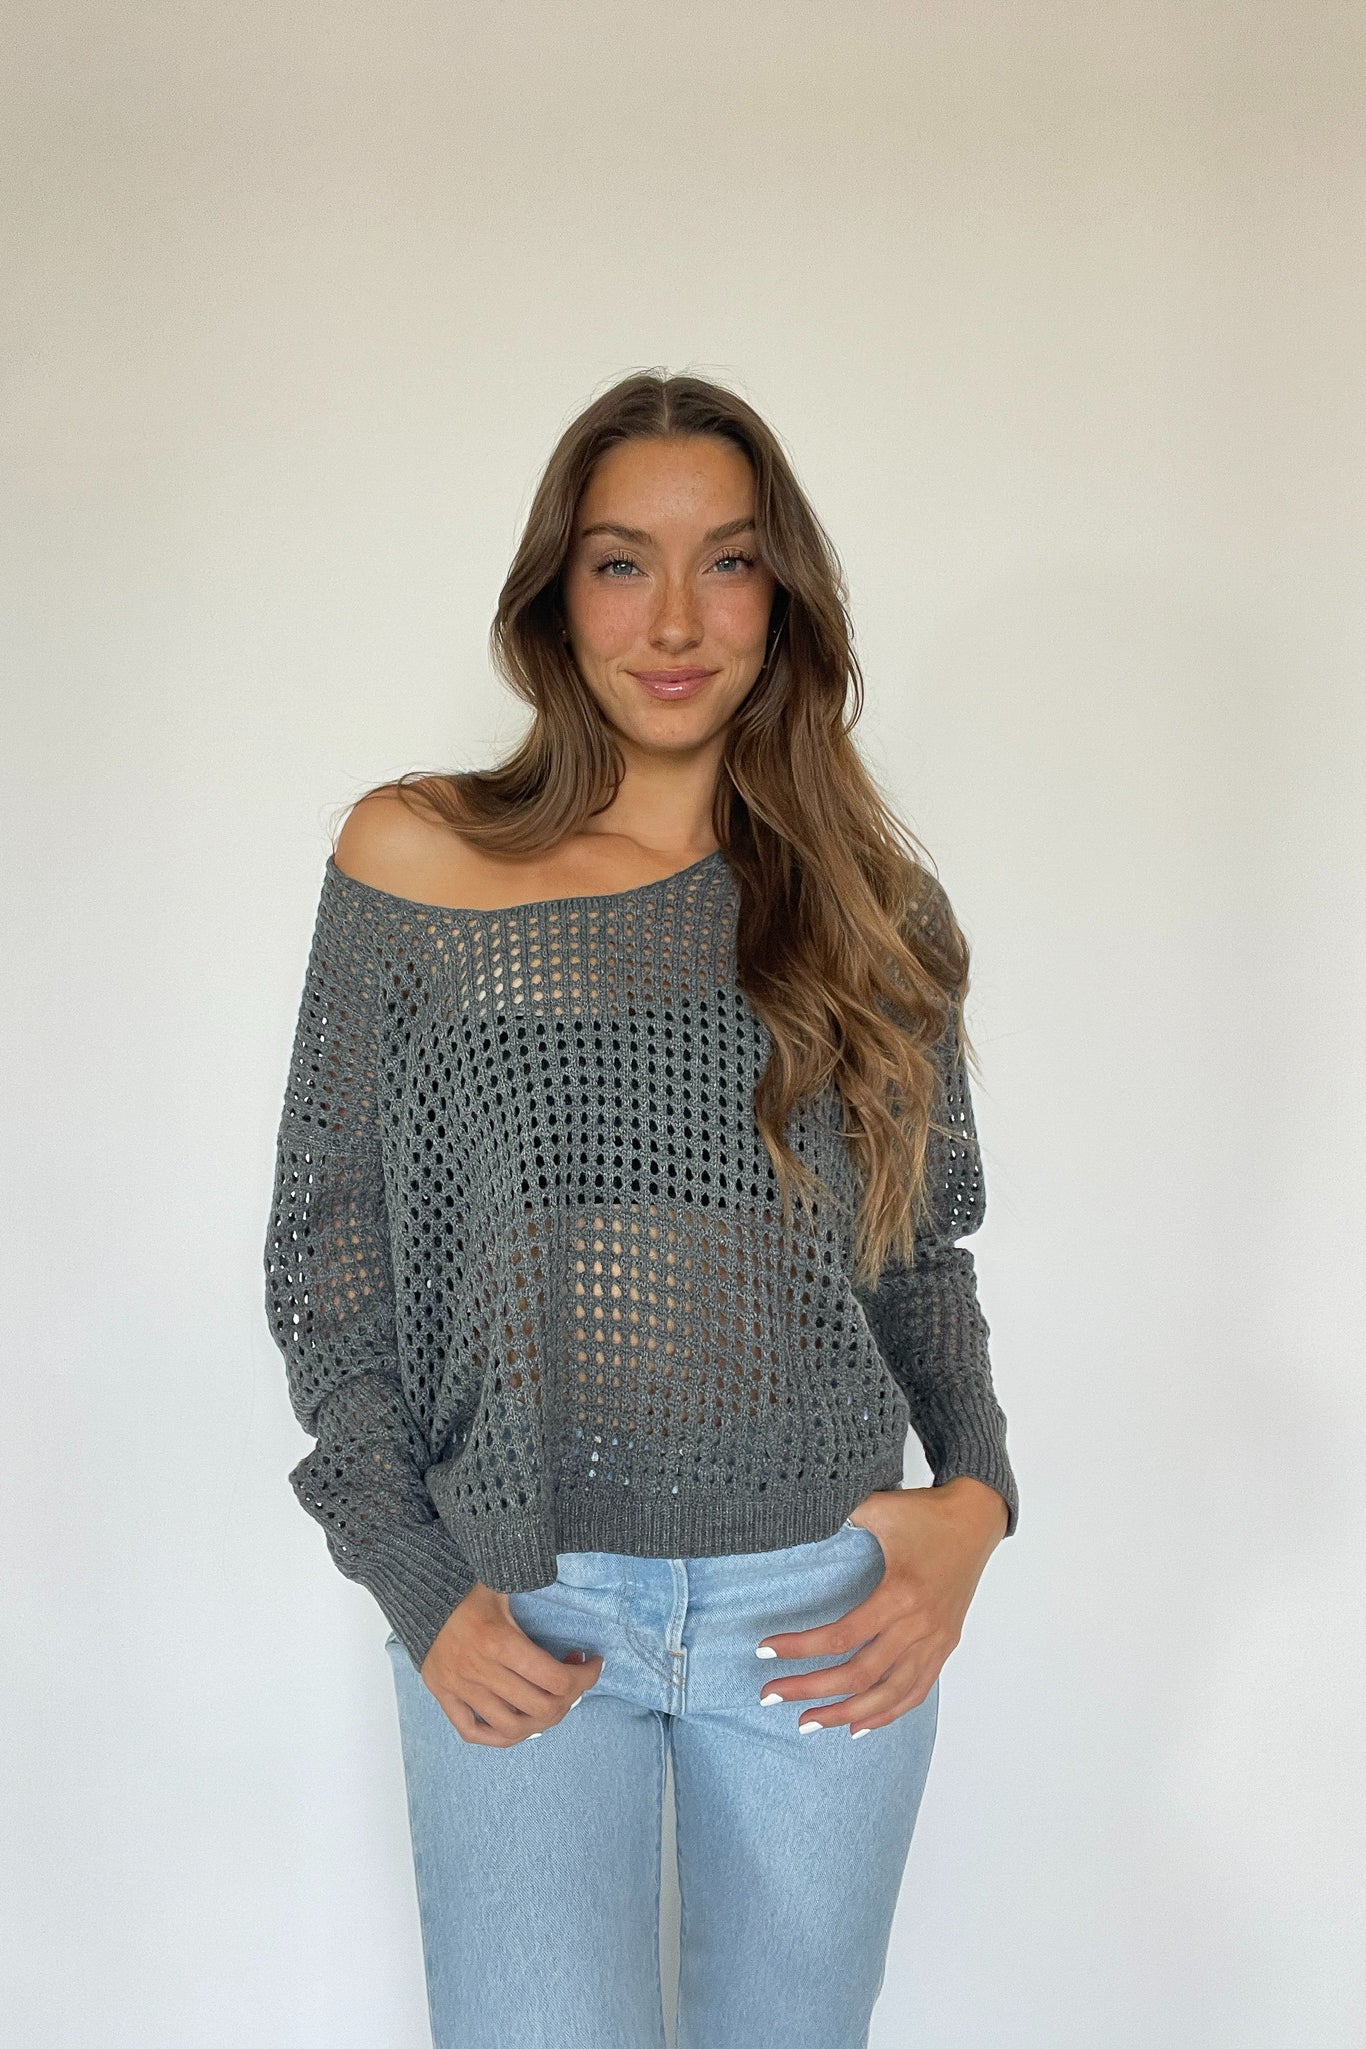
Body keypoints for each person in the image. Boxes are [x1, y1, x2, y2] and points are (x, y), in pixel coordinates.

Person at [263, 369, 1019, 2049]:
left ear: (782, 596)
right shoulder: (413, 856)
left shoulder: (871, 907)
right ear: (555, 595)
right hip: (521, 1591)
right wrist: (416, 1576)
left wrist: (973, 1503)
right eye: (621, 562)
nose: (674, 619)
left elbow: (920, 1248)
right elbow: (331, 1253)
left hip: (817, 1599)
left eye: (727, 561)